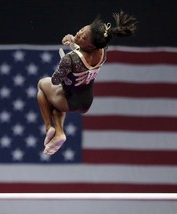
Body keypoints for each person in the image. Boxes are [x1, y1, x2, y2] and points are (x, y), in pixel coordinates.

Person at [37, 11, 137, 155]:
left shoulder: (69, 60)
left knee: (42, 85)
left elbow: (56, 80)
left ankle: (50, 128)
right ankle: (59, 133)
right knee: (55, 99)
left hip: (69, 100)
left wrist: (64, 67)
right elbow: (84, 54)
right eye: (83, 29)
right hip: (86, 101)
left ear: (90, 46)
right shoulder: (102, 51)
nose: (79, 33)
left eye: (83, 37)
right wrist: (73, 42)